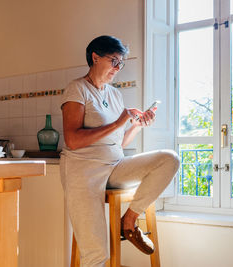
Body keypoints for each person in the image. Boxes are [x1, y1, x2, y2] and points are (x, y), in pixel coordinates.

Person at [60, 35, 179, 267]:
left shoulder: (114, 94)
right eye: (114, 60)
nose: (117, 68)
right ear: (95, 57)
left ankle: (129, 221)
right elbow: (72, 140)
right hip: (83, 173)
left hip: (114, 166)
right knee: (96, 254)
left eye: (120, 63)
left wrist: (135, 125)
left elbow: (117, 143)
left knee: (169, 159)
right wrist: (118, 122)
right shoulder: (77, 89)